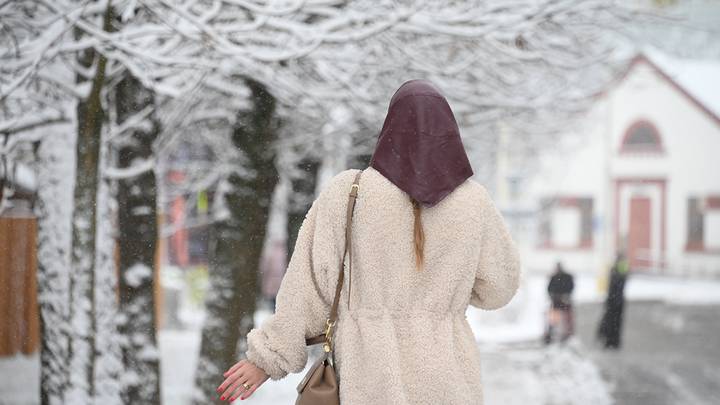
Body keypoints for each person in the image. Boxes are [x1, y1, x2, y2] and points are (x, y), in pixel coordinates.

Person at [216, 80, 522, 404]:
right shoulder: (474, 203)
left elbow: (308, 289)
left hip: (369, 380)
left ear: (390, 129)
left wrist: (268, 358)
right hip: (448, 382)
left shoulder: (350, 192)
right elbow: (499, 287)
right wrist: (446, 292)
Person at [597, 252, 629, 349]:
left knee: (611, 321)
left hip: (614, 299)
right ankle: (614, 341)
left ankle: (610, 341)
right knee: (616, 322)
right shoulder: (622, 268)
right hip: (617, 299)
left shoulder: (616, 269)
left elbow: (614, 284)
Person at [543, 262, 575, 344]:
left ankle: (567, 334)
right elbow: (549, 289)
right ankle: (551, 334)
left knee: (566, 319)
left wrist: (564, 295)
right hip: (557, 302)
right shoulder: (556, 277)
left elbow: (570, 287)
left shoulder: (564, 277)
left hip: (563, 301)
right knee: (554, 320)